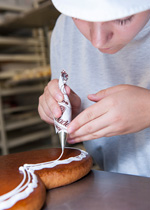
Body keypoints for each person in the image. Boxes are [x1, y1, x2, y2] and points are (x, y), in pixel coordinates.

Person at [38, 0, 150, 176]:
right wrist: (67, 111)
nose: (97, 41)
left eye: (122, 19)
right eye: (80, 16)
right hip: (119, 188)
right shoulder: (64, 30)